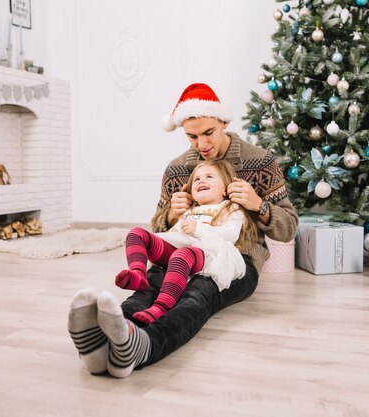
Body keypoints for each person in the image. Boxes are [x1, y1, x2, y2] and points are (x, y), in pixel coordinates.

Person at [68, 83, 298, 378]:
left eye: (208, 133)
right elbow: (158, 228)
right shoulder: (178, 169)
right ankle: (107, 336)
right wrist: (171, 213)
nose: (201, 144)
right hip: (182, 248)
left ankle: (147, 345)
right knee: (151, 285)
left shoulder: (260, 162)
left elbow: (288, 227)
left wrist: (259, 206)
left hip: (235, 261)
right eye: (192, 136)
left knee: (196, 294)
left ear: (224, 123)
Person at [115, 160, 258, 326]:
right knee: (136, 233)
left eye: (209, 176)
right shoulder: (190, 212)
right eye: (196, 179)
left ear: (225, 189)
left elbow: (231, 234)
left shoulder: (229, 208)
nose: (201, 181)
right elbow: (175, 235)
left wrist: (198, 229)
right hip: (180, 248)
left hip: (209, 253)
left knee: (181, 254)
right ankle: (138, 275)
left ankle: (160, 307)